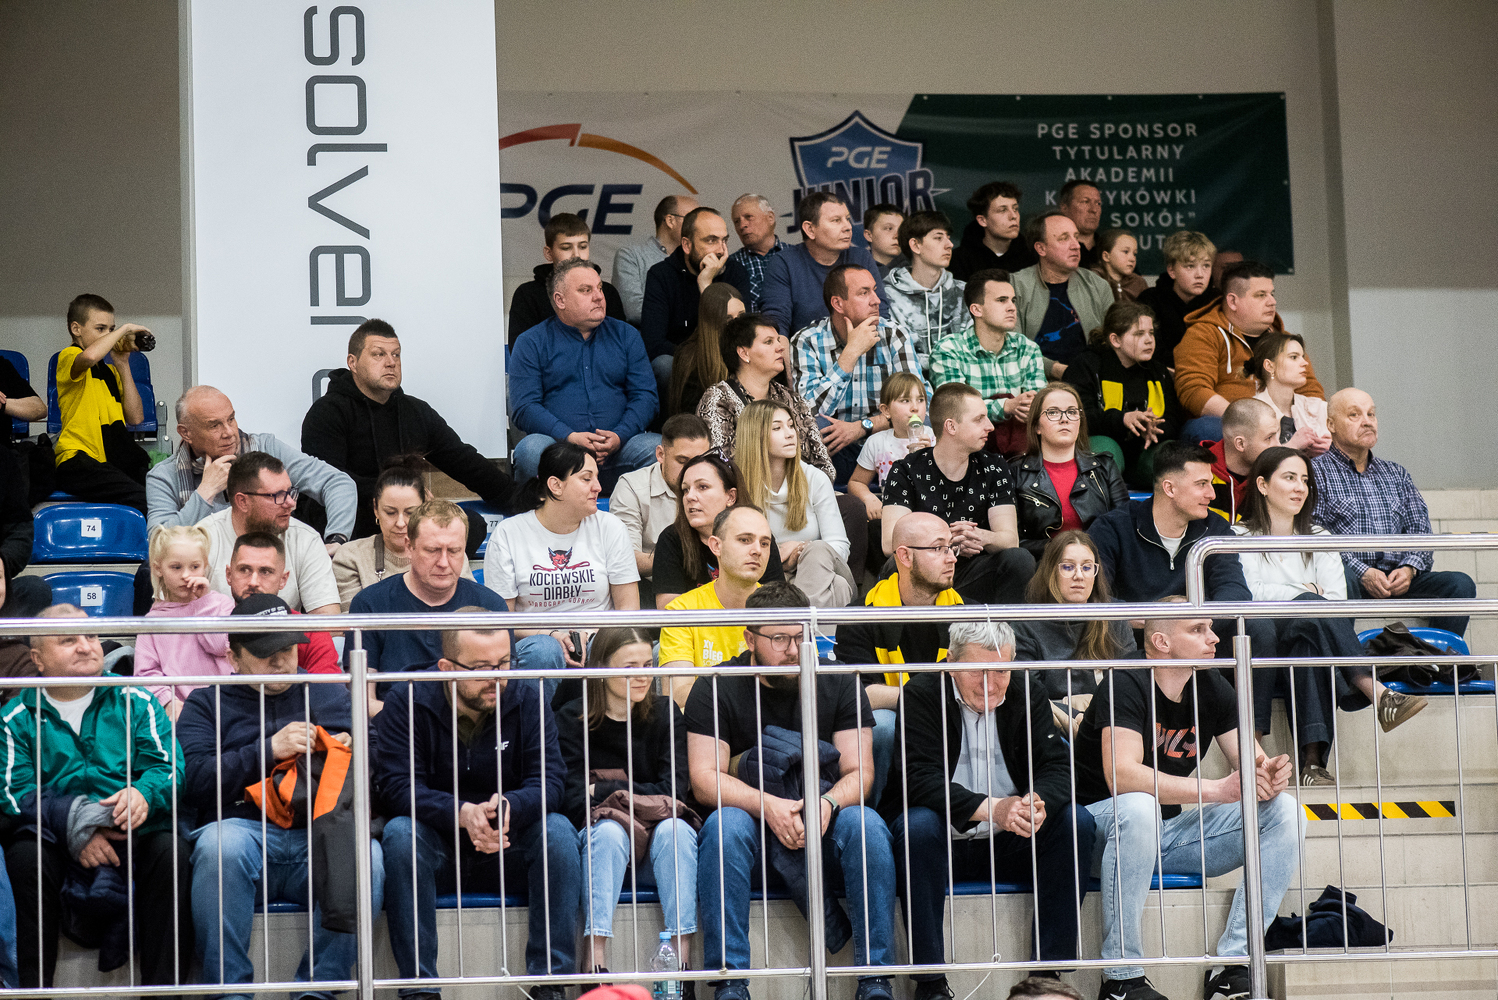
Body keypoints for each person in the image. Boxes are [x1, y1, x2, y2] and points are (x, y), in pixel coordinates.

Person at [1074, 602, 1302, 1000]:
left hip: (1162, 834)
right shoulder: (1125, 680)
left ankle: (1234, 965)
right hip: (1099, 836)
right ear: (1161, 642)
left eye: (1210, 627)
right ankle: (1121, 979)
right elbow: (1121, 776)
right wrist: (1216, 790)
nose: (1213, 638)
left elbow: (1251, 764)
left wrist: (1268, 775)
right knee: (1138, 806)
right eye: (1197, 629)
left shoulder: (1210, 685)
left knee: (1286, 812)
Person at [687, 582, 897, 1000]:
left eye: (803, 636)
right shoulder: (717, 684)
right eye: (780, 638)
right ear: (749, 639)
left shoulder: (837, 679)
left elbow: (860, 771)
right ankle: (730, 983)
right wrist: (768, 806)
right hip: (752, 816)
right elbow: (705, 778)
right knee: (724, 826)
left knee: (867, 824)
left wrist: (828, 802)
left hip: (822, 811)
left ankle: (876, 979)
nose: (794, 649)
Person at [179, 593, 382, 999]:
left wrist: (352, 752)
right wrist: (268, 750)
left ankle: (319, 991)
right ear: (233, 658)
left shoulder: (327, 693)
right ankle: (230, 994)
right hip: (243, 829)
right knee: (220, 847)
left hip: (319, 834)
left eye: (288, 648)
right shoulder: (206, 702)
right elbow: (193, 779)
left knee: (368, 857)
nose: (280, 660)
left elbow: (378, 757)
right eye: (264, 652)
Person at [882, 620, 1095, 992]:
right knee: (917, 826)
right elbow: (917, 779)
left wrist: (1036, 802)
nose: (990, 683)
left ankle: (1048, 978)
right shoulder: (921, 693)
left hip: (1009, 839)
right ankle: (930, 984)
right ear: (950, 663)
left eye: (1000, 670)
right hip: (942, 842)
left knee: (1075, 822)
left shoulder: (1027, 691)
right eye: (977, 670)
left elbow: (1057, 767)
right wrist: (990, 808)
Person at [376, 620, 581, 1000]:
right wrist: (460, 812)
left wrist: (511, 806)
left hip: (508, 843)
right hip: (439, 845)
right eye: (482, 668)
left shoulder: (527, 694)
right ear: (446, 668)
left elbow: (551, 780)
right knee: (400, 834)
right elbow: (396, 786)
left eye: (504, 663)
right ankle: (419, 990)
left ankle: (551, 985)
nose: (497, 678)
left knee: (558, 832)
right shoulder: (407, 699)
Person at [1, 604, 192, 991]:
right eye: (68, 640)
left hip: (131, 829)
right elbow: (13, 794)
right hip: (55, 837)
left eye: (90, 636)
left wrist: (143, 793)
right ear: (38, 659)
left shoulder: (136, 699)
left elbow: (170, 768)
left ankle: (163, 994)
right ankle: (33, 992)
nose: (86, 646)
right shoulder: (14, 717)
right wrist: (77, 825)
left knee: (170, 852)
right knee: (25, 856)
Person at [1235, 447, 1427, 786]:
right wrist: (1305, 592)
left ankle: (1312, 766)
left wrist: (1301, 597)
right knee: (1311, 607)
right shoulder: (1239, 537)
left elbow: (1335, 600)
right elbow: (1252, 594)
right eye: (1289, 478)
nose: (1300, 488)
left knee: (1308, 644)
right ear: (1262, 485)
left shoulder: (1319, 537)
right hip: (1261, 640)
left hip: (1306, 637)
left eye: (1305, 480)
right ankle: (1372, 689)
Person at [556, 627, 697, 977]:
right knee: (609, 832)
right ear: (602, 668)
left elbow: (675, 790)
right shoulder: (572, 718)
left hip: (656, 847)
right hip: (600, 849)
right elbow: (569, 798)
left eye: (648, 665)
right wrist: (638, 795)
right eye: (629, 667)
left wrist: (606, 789)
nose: (642, 676)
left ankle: (681, 966)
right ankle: (595, 964)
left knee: (676, 831)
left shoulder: (665, 713)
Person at [301, 319, 514, 546]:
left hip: (405, 520)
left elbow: (465, 462)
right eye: (379, 354)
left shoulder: (414, 411)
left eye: (396, 355)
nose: (391, 363)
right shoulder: (327, 412)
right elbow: (328, 481)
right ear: (352, 363)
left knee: (469, 526)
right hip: (350, 519)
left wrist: (526, 499)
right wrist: (402, 493)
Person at [347, 499, 559, 696]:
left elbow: (501, 694)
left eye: (454, 551)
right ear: (409, 547)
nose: (443, 562)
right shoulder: (369, 604)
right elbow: (363, 701)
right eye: (432, 550)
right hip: (399, 721)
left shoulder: (491, 605)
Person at [1313, 387, 1477, 639]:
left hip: (1398, 580)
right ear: (1331, 425)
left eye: (1371, 414)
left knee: (1460, 584)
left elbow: (1420, 530)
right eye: (1354, 415)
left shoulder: (1396, 474)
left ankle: (1436, 656)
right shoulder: (1315, 472)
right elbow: (1315, 534)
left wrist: (1410, 569)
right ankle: (1347, 661)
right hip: (1350, 579)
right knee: (1342, 577)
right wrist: (1362, 572)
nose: (1367, 421)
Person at [484, 441, 640, 704]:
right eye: (586, 479)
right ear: (555, 485)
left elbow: (629, 609)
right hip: (536, 642)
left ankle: (611, 726)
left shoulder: (610, 527)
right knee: (545, 651)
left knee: (611, 646)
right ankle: (532, 726)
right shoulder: (509, 534)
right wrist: (552, 635)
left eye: (597, 478)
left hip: (596, 636)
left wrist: (591, 633)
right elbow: (503, 620)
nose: (598, 487)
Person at [1087, 441, 1276, 656]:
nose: (1212, 494)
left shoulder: (1216, 527)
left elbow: (1234, 592)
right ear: (1169, 488)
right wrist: (1157, 620)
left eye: (1210, 483)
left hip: (1201, 634)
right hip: (1135, 640)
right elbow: (1094, 594)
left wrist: (1192, 623)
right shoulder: (1113, 527)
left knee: (1258, 627)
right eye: (1201, 484)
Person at [835, 512, 961, 809]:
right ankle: (873, 816)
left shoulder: (967, 613)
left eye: (951, 547)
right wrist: (930, 697)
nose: (952, 558)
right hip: (904, 716)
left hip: (952, 717)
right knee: (881, 724)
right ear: (904, 556)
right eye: (938, 548)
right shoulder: (861, 614)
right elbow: (859, 694)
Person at [510, 257, 661, 490]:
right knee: (530, 450)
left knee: (657, 449)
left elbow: (646, 397)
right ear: (560, 300)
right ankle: (537, 514)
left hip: (620, 451)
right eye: (586, 290)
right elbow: (525, 407)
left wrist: (619, 436)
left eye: (599, 288)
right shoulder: (531, 342)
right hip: (559, 452)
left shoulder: (626, 335)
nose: (599, 296)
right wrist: (568, 436)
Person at [880, 382, 1034, 605]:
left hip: (974, 571)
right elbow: (889, 543)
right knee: (897, 562)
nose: (990, 426)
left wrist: (980, 536)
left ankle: (1008, 628)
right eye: (979, 419)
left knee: (1019, 559)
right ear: (951, 426)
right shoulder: (907, 470)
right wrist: (947, 541)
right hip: (924, 574)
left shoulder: (993, 466)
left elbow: (1010, 539)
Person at [150, 384, 358, 545]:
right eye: (214, 425)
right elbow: (159, 542)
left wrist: (337, 539)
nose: (229, 432)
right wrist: (205, 492)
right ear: (186, 433)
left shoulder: (266, 448)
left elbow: (337, 483)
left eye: (231, 419)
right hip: (203, 571)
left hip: (271, 563)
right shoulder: (164, 475)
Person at [791, 264, 928, 485]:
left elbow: (919, 402)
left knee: (924, 420)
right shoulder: (807, 341)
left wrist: (862, 427)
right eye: (864, 293)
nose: (876, 300)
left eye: (874, 290)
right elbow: (806, 413)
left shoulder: (893, 335)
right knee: (816, 427)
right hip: (838, 448)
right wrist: (850, 354)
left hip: (887, 440)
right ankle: (833, 491)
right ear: (838, 303)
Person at [1174, 260, 1325, 443]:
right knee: (1205, 428)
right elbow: (1194, 390)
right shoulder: (1203, 334)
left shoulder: (1285, 340)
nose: (1272, 302)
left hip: (1284, 425)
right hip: (1230, 425)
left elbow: (1310, 391)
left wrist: (1315, 429)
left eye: (1272, 294)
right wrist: (1250, 422)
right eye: (1261, 295)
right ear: (1233, 301)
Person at [735, 400, 854, 609]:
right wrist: (778, 561)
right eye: (777, 428)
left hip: (818, 569)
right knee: (839, 587)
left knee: (818, 550)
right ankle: (806, 626)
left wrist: (801, 550)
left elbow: (840, 547)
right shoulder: (737, 483)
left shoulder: (815, 478)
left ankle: (797, 621)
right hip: (768, 579)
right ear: (755, 436)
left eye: (791, 426)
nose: (790, 434)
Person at [658, 504, 774, 703]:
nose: (757, 550)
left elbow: (808, 684)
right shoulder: (681, 611)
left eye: (764, 543)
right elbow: (678, 695)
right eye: (745, 540)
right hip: (709, 721)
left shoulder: (785, 609)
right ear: (716, 546)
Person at [699, 312, 836, 481]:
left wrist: (806, 490)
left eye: (778, 340)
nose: (780, 347)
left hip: (801, 492)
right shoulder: (719, 399)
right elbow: (720, 468)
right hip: (747, 495)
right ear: (744, 353)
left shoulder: (792, 399)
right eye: (769, 342)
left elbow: (825, 466)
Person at [200, 451, 340, 615]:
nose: (290, 503)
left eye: (290, 492)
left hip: (285, 632)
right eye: (278, 495)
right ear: (243, 501)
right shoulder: (203, 539)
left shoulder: (306, 540)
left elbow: (329, 621)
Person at [330, 455, 475, 612]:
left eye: (410, 512)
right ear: (376, 509)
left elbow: (469, 612)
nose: (400, 523)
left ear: (425, 507)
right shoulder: (351, 557)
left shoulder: (449, 555)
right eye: (390, 512)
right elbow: (353, 621)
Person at [928, 269, 1047, 458]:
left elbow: (1041, 404)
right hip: (968, 454)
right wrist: (1007, 406)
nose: (1012, 307)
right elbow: (954, 409)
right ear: (976, 309)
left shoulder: (1027, 348)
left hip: (1023, 452)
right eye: (1002, 300)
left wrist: (1032, 407)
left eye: (1013, 300)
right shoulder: (949, 349)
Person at [1063, 300, 1181, 489]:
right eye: (1139, 334)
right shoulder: (1086, 365)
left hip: (1144, 449)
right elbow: (1078, 417)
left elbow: (1174, 418)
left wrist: (1154, 428)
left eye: (1151, 333)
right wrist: (1122, 420)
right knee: (1107, 451)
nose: (1149, 340)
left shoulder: (1159, 371)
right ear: (1115, 340)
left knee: (1173, 458)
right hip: (1101, 443)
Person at [50, 293, 151, 512]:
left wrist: (123, 364)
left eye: (111, 329)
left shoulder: (111, 372)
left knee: (157, 494)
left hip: (108, 460)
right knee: (141, 499)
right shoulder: (68, 356)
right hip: (76, 459)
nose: (109, 335)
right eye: (100, 329)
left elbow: (136, 418)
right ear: (76, 329)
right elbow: (88, 357)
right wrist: (124, 329)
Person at [651, 453, 786, 610]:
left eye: (703, 487)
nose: (690, 496)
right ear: (715, 545)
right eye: (685, 490)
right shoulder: (671, 539)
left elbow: (778, 606)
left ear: (731, 497)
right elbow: (670, 612)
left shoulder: (759, 537)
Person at [1013, 530, 1137, 700]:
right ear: (1050, 572)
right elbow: (1031, 699)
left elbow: (1129, 687)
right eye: (1068, 567)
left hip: (1107, 714)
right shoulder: (1024, 626)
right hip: (1049, 715)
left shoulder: (1114, 617)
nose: (1079, 576)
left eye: (1087, 567)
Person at [1012, 382, 1128, 558]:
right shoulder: (1015, 473)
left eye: (1072, 412)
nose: (1064, 419)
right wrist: (1064, 549)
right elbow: (1015, 542)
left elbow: (1124, 527)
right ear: (1036, 426)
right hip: (1042, 565)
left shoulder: (1105, 466)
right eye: (1053, 412)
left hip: (1098, 562)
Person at [133, 523, 234, 720]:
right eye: (176, 567)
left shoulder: (221, 605)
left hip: (227, 708)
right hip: (182, 715)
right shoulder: (152, 622)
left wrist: (204, 603)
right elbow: (146, 674)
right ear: (158, 568)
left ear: (205, 565)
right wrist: (169, 701)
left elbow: (219, 646)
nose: (186, 575)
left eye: (195, 567)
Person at [762, 191, 889, 337]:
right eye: (836, 220)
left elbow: (881, 314)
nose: (848, 227)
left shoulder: (861, 257)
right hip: (805, 350)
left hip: (865, 344)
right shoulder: (784, 263)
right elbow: (776, 324)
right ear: (810, 229)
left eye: (847, 219)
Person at [611, 413, 711, 599]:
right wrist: (680, 559)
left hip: (709, 584)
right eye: (682, 461)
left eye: (699, 461)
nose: (691, 470)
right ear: (660, 454)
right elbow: (626, 560)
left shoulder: (718, 486)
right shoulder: (631, 487)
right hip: (652, 586)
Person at [1011, 212, 1114, 379]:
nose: (1076, 245)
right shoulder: (1015, 286)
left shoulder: (1098, 285)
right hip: (1034, 382)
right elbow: (1011, 346)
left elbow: (1113, 342)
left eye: (1076, 237)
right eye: (1064, 238)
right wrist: (1056, 370)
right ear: (1041, 248)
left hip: (1090, 381)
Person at [225, 532, 340, 675]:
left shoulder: (310, 633)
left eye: (265, 572)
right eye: (244, 570)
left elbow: (328, 687)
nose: (253, 582)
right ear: (229, 575)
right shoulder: (206, 625)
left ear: (283, 579)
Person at [507, 212, 627, 345]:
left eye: (583, 246)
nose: (576, 255)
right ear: (549, 253)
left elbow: (620, 343)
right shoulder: (528, 294)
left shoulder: (607, 292)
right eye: (566, 248)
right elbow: (522, 350)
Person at [641, 206, 732, 363]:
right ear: (687, 245)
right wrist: (697, 362)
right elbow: (653, 343)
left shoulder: (735, 271)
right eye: (711, 241)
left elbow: (737, 336)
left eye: (724, 241)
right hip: (681, 361)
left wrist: (706, 286)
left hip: (726, 359)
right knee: (663, 364)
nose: (721, 250)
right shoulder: (661, 274)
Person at [882, 211, 966, 363]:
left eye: (948, 237)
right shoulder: (888, 296)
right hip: (909, 376)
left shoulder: (963, 292)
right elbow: (892, 354)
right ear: (915, 245)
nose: (949, 244)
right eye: (938, 238)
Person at [847, 372, 932, 521]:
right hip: (893, 516)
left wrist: (931, 457)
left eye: (920, 400)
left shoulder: (935, 438)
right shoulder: (877, 442)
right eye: (905, 401)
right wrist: (869, 498)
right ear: (886, 411)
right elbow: (856, 483)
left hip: (930, 514)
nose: (915, 407)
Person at [615, 194, 700, 325]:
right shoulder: (631, 255)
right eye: (692, 219)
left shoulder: (697, 258)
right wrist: (686, 317)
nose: (698, 226)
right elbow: (633, 310)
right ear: (670, 221)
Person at [1135, 231, 1217, 364]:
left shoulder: (1218, 301)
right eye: (1190, 266)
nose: (1200, 274)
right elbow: (1149, 352)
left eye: (1206, 265)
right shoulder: (1149, 300)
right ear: (1171, 271)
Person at [1242, 331, 1332, 453]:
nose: (1305, 363)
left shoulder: (1318, 407)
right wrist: (1292, 446)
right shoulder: (1251, 414)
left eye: (1303, 357)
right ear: (1269, 366)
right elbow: (1251, 461)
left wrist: (1332, 450)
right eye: (1294, 357)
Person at [668, 283, 744, 418]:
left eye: (741, 317)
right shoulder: (691, 358)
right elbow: (690, 418)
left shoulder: (753, 347)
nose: (738, 325)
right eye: (728, 320)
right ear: (712, 323)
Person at [1205, 398, 1279, 523]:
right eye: (1269, 438)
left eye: (1277, 436)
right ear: (1240, 444)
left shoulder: (1273, 476)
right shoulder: (1198, 476)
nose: (1278, 445)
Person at [949, 181, 1035, 280]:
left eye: (1015, 209)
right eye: (1003, 210)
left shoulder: (1033, 257)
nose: (1013, 216)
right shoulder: (959, 260)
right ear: (982, 220)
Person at [722, 194, 787, 311]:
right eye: (736, 221)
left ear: (770, 218)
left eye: (749, 217)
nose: (742, 225)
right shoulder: (730, 265)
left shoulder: (796, 256)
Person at [1090, 228, 1147, 301]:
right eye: (1126, 252)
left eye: (1134, 254)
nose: (1132, 259)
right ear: (1106, 256)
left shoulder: (1139, 283)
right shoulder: (1092, 281)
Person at [1057, 180, 1103, 268]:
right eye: (1085, 202)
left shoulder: (1111, 249)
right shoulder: (1053, 251)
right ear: (1064, 208)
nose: (1094, 210)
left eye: (1098, 203)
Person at [863, 204, 906, 278]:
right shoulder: (854, 271)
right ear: (869, 235)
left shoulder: (916, 270)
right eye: (889, 228)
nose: (897, 235)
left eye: (901, 230)